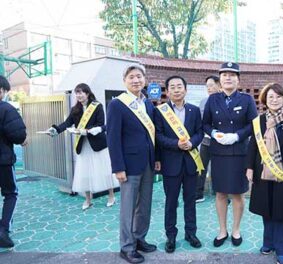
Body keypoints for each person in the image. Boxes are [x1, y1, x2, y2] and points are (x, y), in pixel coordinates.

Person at [246, 83, 283, 264]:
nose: (274, 100)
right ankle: (269, 242)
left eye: (278, 96)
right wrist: (249, 167)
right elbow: (253, 147)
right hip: (263, 173)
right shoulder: (259, 121)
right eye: (270, 96)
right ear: (265, 99)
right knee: (267, 208)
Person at [107, 65, 159, 264]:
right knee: (128, 207)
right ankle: (127, 247)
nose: (136, 80)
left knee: (144, 205)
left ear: (144, 80)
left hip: (147, 163)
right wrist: (118, 167)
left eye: (139, 77)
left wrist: (157, 159)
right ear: (125, 81)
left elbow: (150, 134)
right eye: (131, 77)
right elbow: (112, 137)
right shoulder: (118, 104)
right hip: (128, 165)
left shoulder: (147, 103)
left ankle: (139, 238)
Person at [202, 62, 258, 247]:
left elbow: (253, 125)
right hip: (218, 153)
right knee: (220, 193)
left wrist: (237, 136)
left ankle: (236, 229)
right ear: (220, 80)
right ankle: (222, 230)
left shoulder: (247, 100)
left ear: (238, 80)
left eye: (232, 75)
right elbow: (205, 124)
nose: (228, 78)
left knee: (238, 194)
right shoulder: (212, 100)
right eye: (224, 75)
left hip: (239, 153)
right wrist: (214, 134)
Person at [47, 83, 118, 210]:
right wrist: (55, 130)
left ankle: (111, 196)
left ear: (87, 93)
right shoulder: (75, 110)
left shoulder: (97, 106)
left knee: (104, 170)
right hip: (83, 145)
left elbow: (101, 124)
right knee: (84, 172)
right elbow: (67, 123)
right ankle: (87, 199)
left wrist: (86, 131)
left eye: (81, 92)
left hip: (97, 144)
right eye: (77, 93)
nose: (78, 95)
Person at [155, 75, 204, 253]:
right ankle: (171, 235)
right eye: (172, 87)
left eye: (179, 86)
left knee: (190, 200)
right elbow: (158, 136)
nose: (176, 90)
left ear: (185, 89)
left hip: (191, 162)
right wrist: (175, 144)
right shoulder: (160, 111)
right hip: (171, 163)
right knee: (171, 202)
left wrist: (193, 143)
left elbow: (200, 132)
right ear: (167, 91)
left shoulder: (194, 110)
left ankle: (191, 233)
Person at [0, 76, 27, 248]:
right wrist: (23, 139)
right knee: (10, 194)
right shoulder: (6, 109)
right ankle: (3, 230)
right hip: (3, 161)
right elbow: (18, 135)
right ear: (2, 90)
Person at [196, 75, 221, 202]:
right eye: (207, 86)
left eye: (211, 85)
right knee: (201, 166)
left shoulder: (224, 100)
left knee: (219, 168)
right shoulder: (203, 102)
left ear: (219, 85)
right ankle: (198, 193)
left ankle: (220, 193)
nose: (209, 88)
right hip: (206, 140)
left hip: (221, 141)